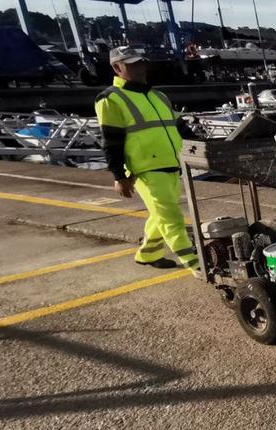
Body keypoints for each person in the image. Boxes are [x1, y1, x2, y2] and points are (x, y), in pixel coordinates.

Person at [94, 46, 200, 277]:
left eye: (141, 63)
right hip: (144, 170)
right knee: (171, 218)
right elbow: (111, 141)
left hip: (172, 165)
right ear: (117, 67)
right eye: (132, 64)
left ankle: (148, 254)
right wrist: (118, 176)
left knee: (160, 215)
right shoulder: (110, 99)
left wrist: (205, 147)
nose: (140, 68)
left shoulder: (158, 96)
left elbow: (181, 128)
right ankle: (195, 264)